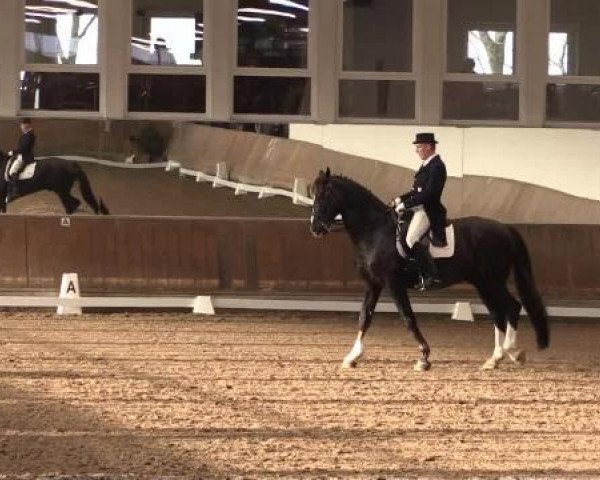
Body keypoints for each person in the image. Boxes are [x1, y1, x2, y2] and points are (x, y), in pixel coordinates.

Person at [392, 132, 448, 291]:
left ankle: (431, 275)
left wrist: (406, 205)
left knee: (411, 239)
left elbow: (428, 194)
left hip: (428, 210)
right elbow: (416, 191)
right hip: (418, 207)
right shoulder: (426, 165)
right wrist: (399, 200)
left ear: (429, 147)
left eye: (418, 147)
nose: (416, 150)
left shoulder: (437, 166)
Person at [6, 117, 36, 202]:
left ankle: (15, 191)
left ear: (27, 125)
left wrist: (13, 152)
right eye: (21, 125)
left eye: (22, 125)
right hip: (21, 155)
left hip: (25, 157)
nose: (21, 127)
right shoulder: (26, 134)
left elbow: (23, 148)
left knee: (12, 171)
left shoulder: (29, 135)